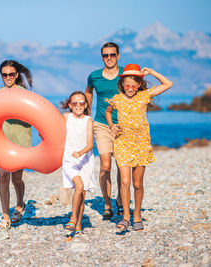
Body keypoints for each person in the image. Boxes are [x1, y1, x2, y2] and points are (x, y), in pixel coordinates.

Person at [105, 64, 173, 231]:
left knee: (137, 184)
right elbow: (107, 112)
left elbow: (168, 84)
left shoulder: (144, 96)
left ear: (138, 86)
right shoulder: (117, 99)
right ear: (122, 85)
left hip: (141, 144)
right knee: (125, 181)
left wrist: (151, 72)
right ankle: (126, 217)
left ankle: (137, 215)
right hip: (122, 143)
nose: (130, 88)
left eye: (133, 86)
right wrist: (111, 125)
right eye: (127, 85)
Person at [85, 42, 123, 219]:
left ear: (118, 56)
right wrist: (86, 114)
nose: (109, 58)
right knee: (105, 166)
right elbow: (89, 92)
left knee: (122, 167)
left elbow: (139, 91)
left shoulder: (126, 74)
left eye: (112, 55)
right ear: (102, 57)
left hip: (123, 125)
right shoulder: (94, 76)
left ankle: (121, 201)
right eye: (106, 55)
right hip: (101, 124)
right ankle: (108, 204)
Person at [0, 59, 33, 229]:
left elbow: (35, 115)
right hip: (1, 141)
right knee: (3, 177)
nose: (8, 77)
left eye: (11, 74)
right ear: (1, 76)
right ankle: (5, 216)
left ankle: (20, 204)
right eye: (5, 75)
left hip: (20, 141)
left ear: (17, 75)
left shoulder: (24, 93)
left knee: (16, 179)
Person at [60, 91, 95, 238]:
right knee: (78, 186)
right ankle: (73, 219)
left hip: (85, 158)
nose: (78, 106)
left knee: (82, 193)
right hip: (69, 158)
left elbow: (90, 144)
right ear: (69, 105)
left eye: (81, 103)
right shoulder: (66, 117)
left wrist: (80, 153)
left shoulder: (88, 120)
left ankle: (78, 224)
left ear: (86, 105)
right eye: (74, 103)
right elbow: (56, 132)